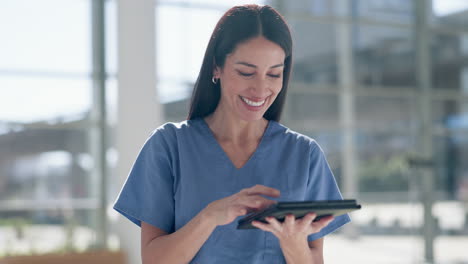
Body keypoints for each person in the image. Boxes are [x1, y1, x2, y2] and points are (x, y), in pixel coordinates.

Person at [114, 4, 350, 263]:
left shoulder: (304, 154)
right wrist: (210, 216)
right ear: (217, 67)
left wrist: (293, 244)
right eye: (246, 72)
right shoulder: (169, 146)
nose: (260, 89)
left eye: (274, 74)